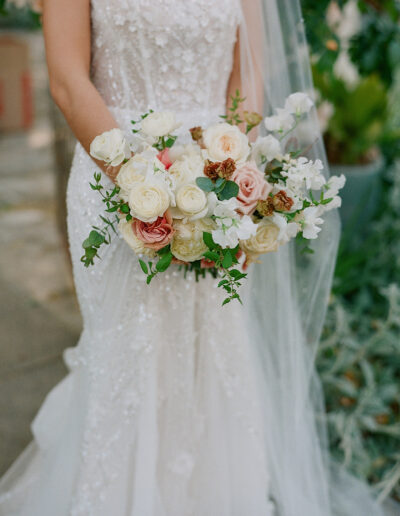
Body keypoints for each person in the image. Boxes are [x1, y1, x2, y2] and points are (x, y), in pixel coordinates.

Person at [0, 1, 386, 514]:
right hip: (110, 174)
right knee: (127, 352)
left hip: (218, 174)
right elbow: (69, 82)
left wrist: (227, 196)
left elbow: (245, 81)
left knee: (212, 347)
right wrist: (147, 189)